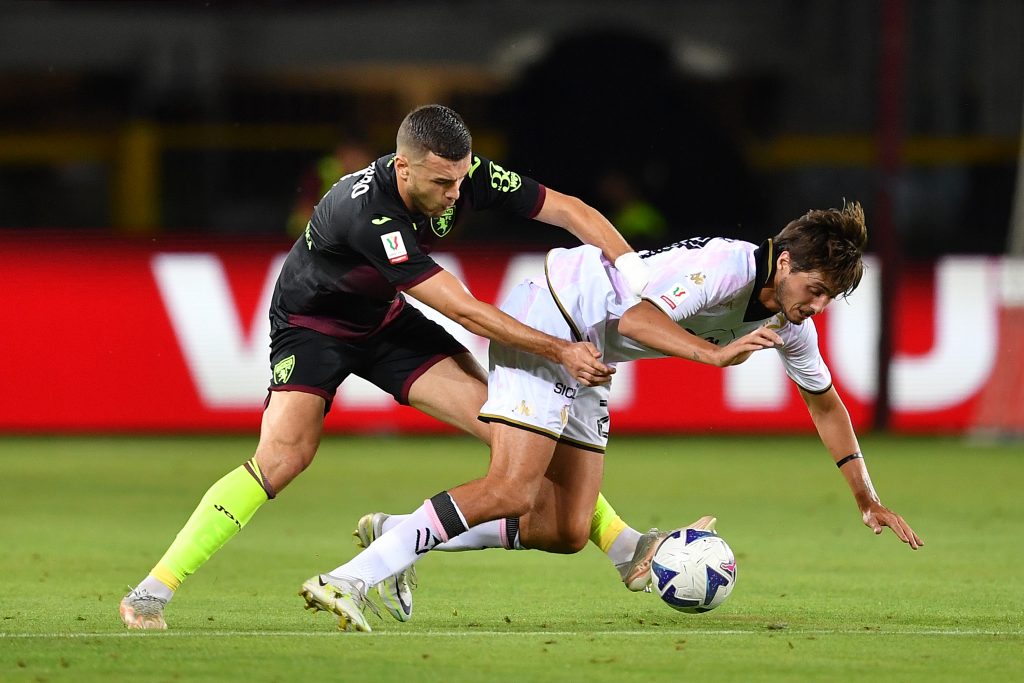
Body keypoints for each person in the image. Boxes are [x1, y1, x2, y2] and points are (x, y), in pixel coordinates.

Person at [119, 104, 673, 629]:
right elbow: (466, 311)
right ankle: (154, 587)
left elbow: (568, 209)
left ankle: (623, 546)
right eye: (441, 184)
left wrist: (635, 273)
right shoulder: (369, 213)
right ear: (403, 168)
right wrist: (561, 350)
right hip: (313, 328)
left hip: (384, 320)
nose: (456, 195)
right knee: (284, 458)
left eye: (461, 181)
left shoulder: (460, 174)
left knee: (511, 426)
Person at [303, 201, 924, 632]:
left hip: (592, 352)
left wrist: (864, 495)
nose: (816, 308)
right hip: (552, 316)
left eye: (828, 300)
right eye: (815, 290)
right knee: (512, 488)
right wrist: (712, 355)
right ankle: (348, 579)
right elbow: (636, 318)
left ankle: (401, 534)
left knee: (569, 528)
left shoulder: (788, 323)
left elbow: (826, 405)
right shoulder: (725, 267)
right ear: (785, 263)